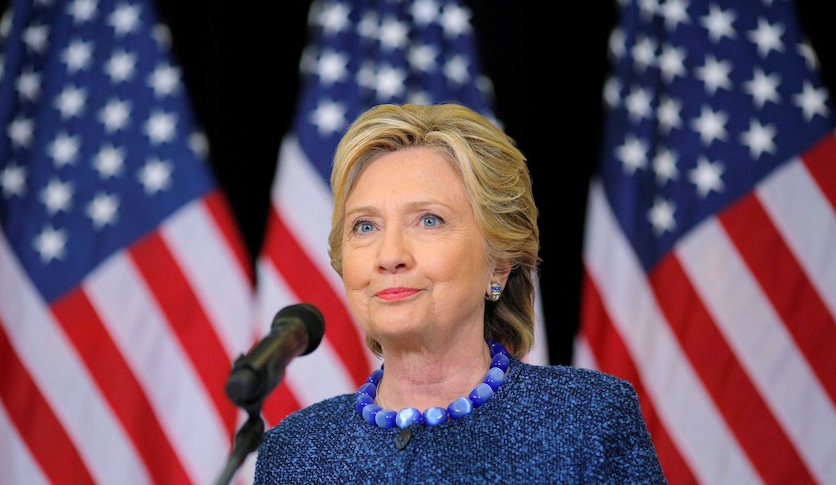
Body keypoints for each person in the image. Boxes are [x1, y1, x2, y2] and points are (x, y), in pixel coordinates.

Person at [253, 103, 666, 484]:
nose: (390, 255)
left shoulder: (586, 419)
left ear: (498, 264)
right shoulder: (294, 452)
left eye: (428, 220)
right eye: (365, 226)